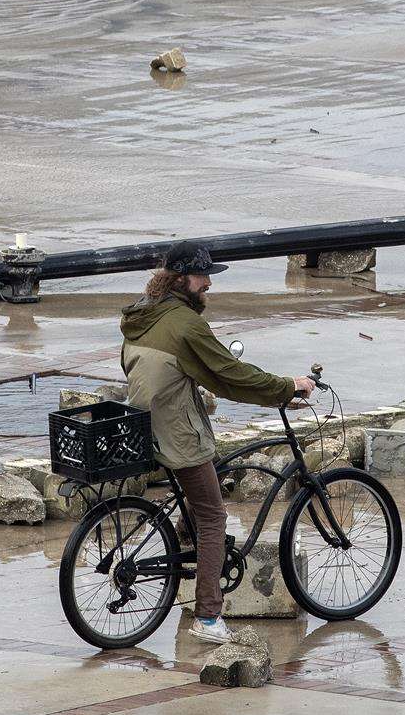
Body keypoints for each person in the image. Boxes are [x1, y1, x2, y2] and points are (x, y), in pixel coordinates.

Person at [119, 240, 316, 644]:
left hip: (143, 421)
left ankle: (184, 536)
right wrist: (287, 386)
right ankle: (208, 616)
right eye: (202, 275)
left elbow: (154, 367)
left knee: (205, 483)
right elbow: (231, 374)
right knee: (213, 518)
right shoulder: (186, 325)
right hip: (175, 432)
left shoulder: (144, 312)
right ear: (181, 279)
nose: (208, 282)